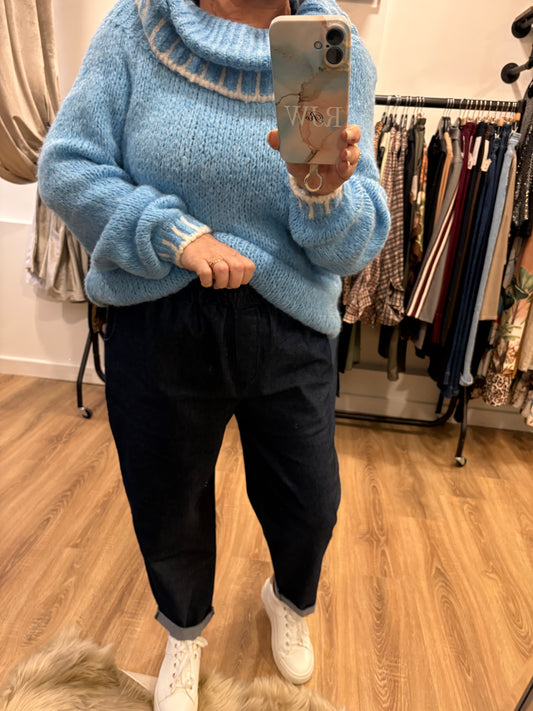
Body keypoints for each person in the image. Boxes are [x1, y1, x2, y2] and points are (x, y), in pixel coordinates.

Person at [38, 0, 390, 709]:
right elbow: (68, 165)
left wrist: (323, 194)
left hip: (290, 324)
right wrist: (173, 234)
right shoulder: (136, 27)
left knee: (309, 502)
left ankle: (289, 598)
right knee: (168, 501)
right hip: (157, 316)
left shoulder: (330, 46)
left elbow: (356, 246)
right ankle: (184, 628)